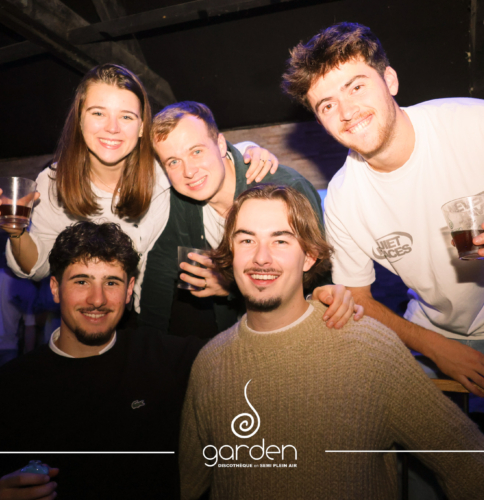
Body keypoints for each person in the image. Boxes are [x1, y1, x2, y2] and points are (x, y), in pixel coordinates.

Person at [179, 184, 484, 500]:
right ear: (231, 254)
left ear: (309, 256)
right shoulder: (210, 363)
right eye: (247, 240)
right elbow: (188, 485)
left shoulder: (367, 349)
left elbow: (469, 463)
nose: (261, 258)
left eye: (280, 240)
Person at [280, 22, 484, 397]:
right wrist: (438, 349)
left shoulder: (477, 123)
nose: (347, 111)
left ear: (390, 81)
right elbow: (358, 299)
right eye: (327, 105)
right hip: (433, 329)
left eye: (356, 87)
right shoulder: (343, 200)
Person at [3, 64, 278, 312]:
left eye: (126, 117)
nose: (112, 128)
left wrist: (247, 150)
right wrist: (16, 233)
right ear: (80, 120)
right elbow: (40, 268)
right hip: (99, 311)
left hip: (166, 308)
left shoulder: (162, 169)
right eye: (98, 113)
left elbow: (203, 158)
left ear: (141, 127)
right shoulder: (53, 183)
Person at [0, 221, 205, 498]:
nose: (97, 299)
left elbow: (244, 354)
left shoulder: (165, 357)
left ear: (129, 290)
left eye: (111, 282)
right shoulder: (13, 386)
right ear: (55, 288)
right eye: (81, 281)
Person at [140, 101, 361, 336]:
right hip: (235, 335)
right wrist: (145, 345)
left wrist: (230, 285)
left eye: (196, 151)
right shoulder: (180, 201)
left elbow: (318, 277)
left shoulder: (288, 189)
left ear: (221, 144)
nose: (189, 171)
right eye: (173, 162)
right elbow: (159, 271)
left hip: (301, 330)